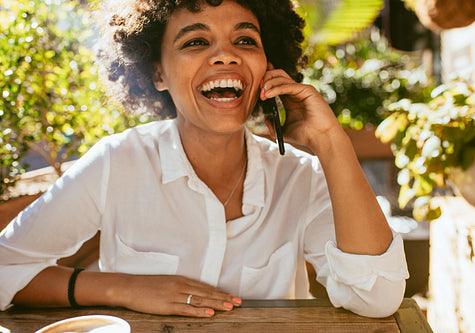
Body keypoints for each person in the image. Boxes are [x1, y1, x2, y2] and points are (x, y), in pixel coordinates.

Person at [0, 0, 408, 318]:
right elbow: (5, 267)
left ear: (270, 67)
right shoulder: (117, 162)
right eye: (196, 42)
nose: (225, 56)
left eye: (245, 40)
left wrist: (330, 141)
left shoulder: (301, 177)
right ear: (157, 73)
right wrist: (121, 288)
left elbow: (377, 297)